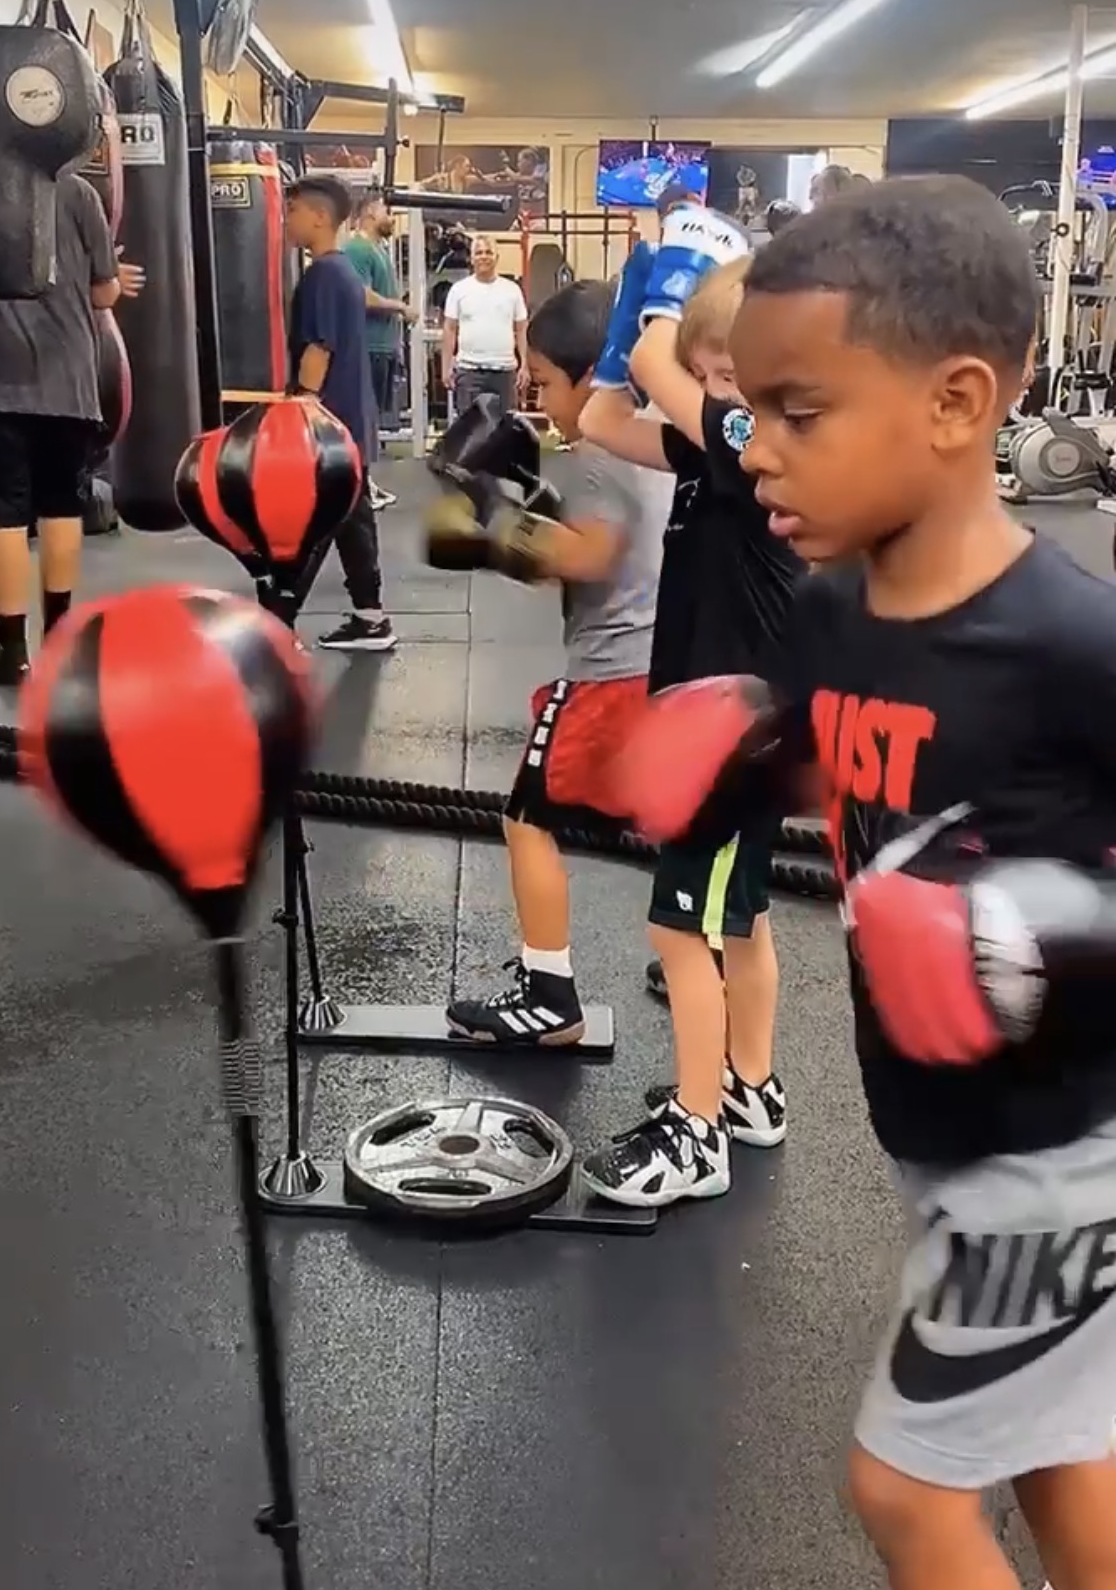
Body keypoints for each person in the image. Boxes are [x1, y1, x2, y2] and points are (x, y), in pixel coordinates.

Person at [619, 175, 1116, 1590]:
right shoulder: (832, 606)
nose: (754, 450)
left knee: (899, 1491)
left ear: (955, 404)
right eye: (749, 409)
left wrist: (1051, 948)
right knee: (1046, 1439)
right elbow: (847, 765)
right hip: (941, 1128)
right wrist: (739, 759)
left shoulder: (1069, 647)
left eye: (799, 413)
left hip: (1058, 1164)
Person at [578, 255, 803, 1206]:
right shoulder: (718, 448)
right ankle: (748, 1089)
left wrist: (660, 315)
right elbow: (596, 423)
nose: (709, 394)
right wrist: (621, 339)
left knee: (684, 929)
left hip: (731, 733)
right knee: (737, 921)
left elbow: (665, 373)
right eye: (712, 375)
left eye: (726, 376)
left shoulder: (761, 437)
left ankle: (697, 1131)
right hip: (732, 720)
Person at [438, 279, 672, 1045]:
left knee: (526, 819)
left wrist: (490, 520)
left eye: (542, 381)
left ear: (587, 375)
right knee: (671, 822)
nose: (538, 396)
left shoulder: (602, 452)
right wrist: (537, 489)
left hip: (610, 677)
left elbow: (586, 555)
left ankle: (549, 994)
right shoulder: (661, 433)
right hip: (667, 663)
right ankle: (693, 950)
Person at [0, 168, 142, 686]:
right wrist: (102, 276)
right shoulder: (77, 189)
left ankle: (11, 649)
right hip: (67, 381)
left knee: (4, 516)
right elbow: (105, 293)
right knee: (62, 507)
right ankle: (60, 644)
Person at [285, 174, 396, 653]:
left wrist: (299, 409)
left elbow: (319, 347)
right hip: (349, 422)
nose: (285, 220)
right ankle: (372, 618)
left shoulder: (326, 273)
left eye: (291, 211)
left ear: (319, 217)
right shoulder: (345, 273)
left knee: (310, 523)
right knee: (351, 520)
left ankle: (277, 621)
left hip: (328, 424)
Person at [343, 190, 418, 510]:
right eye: (386, 210)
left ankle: (364, 484)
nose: (391, 216)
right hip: (368, 347)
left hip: (382, 349)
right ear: (371, 212)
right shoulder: (357, 248)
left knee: (370, 421)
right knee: (361, 421)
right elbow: (360, 295)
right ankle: (358, 489)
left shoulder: (377, 249)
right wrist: (399, 307)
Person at [441, 236, 529, 416]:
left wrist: (525, 365)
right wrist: (446, 366)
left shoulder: (512, 290)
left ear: (497, 258)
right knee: (471, 434)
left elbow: (521, 329)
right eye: (479, 253)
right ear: (471, 258)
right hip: (469, 372)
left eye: (488, 252)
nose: (484, 257)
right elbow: (450, 329)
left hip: (504, 372)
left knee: (505, 433)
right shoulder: (459, 290)